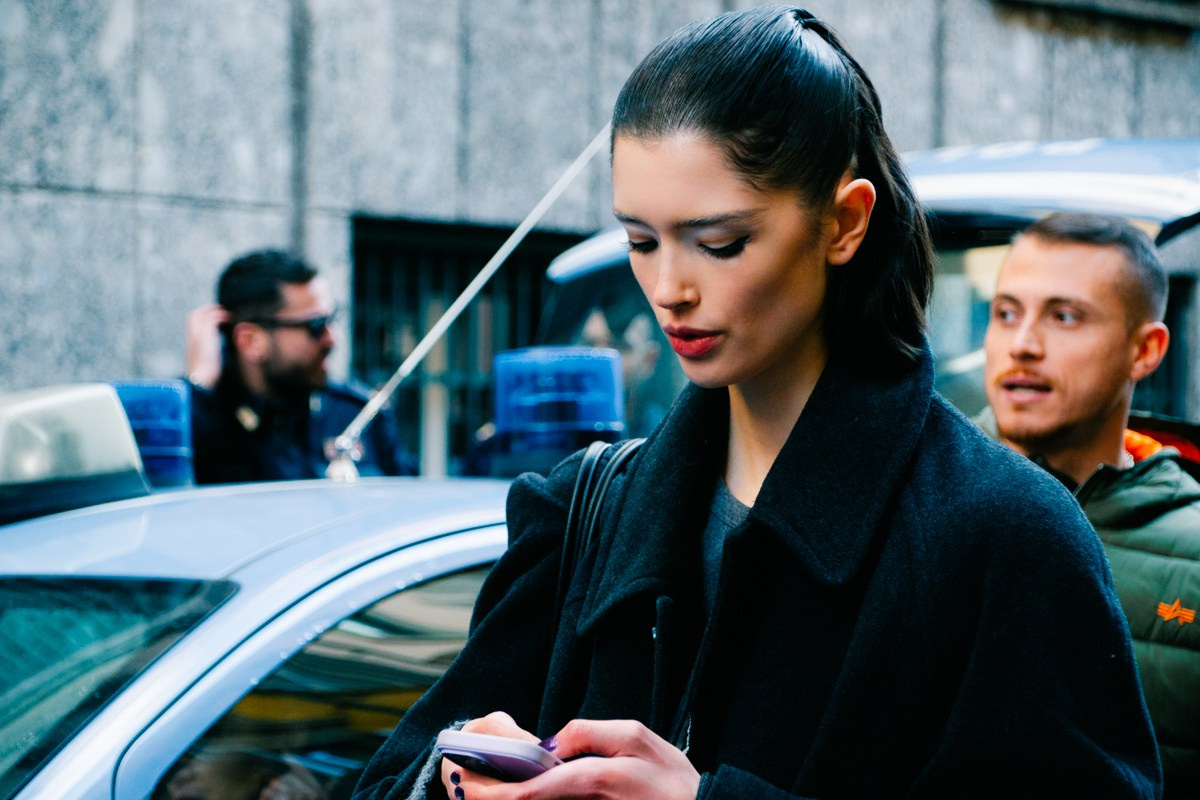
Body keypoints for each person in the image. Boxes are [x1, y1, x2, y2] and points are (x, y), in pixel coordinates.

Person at [353, 7, 1160, 798]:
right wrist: (454, 780)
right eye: (640, 241)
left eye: (720, 244)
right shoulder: (584, 511)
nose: (668, 291)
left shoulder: (1006, 537)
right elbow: (391, 777)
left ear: (844, 222)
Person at [975, 211, 1200, 794]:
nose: (1022, 346)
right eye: (1005, 313)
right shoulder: (911, 496)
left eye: (1065, 316)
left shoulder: (1191, 557)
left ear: (1145, 351)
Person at [187, 249, 417, 483]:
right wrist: (200, 385)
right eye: (315, 326)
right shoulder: (200, 423)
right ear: (250, 341)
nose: (332, 338)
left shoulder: (357, 413)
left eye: (331, 319)